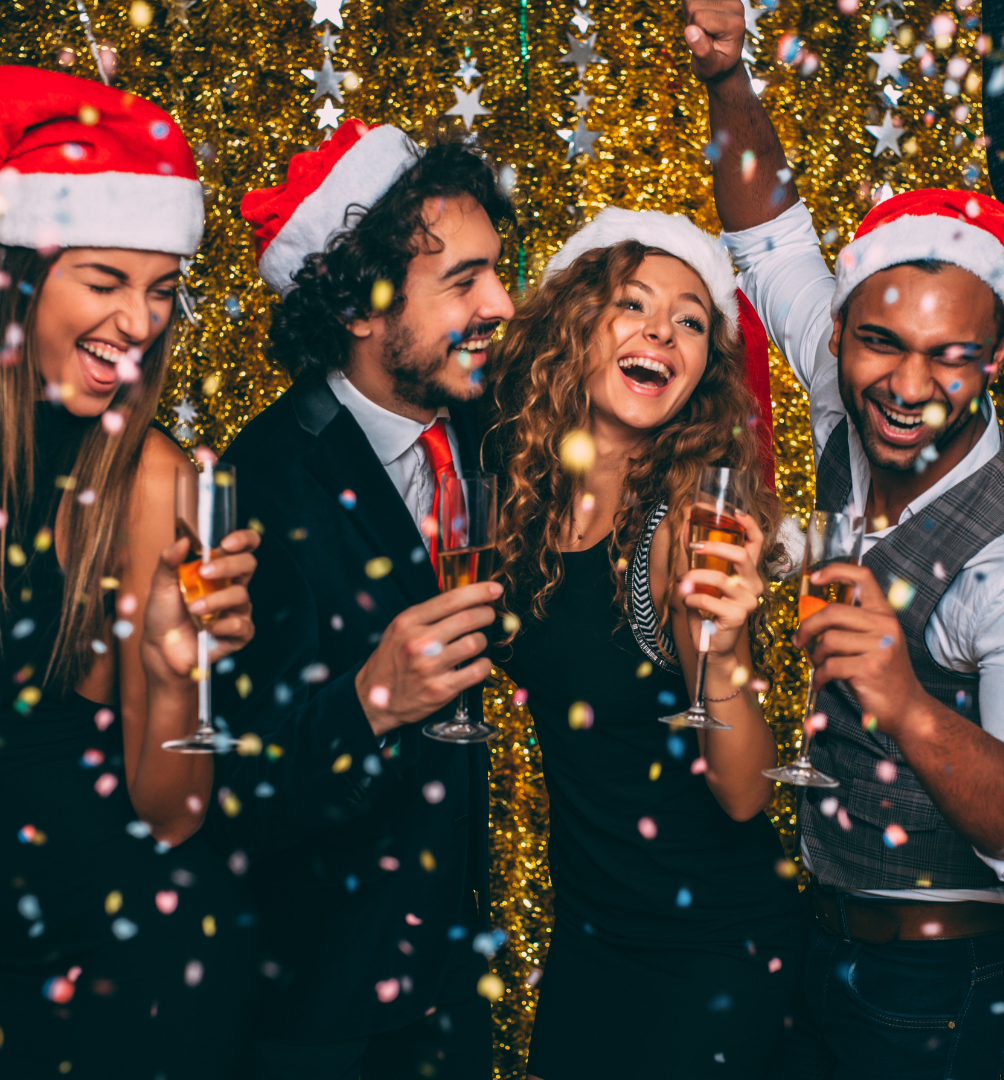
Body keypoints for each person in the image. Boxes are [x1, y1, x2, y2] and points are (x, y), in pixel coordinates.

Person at [685, 1, 1004, 1075]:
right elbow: (765, 233)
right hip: (814, 933)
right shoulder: (840, 397)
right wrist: (729, 77)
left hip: (945, 985)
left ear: (991, 362)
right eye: (879, 344)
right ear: (839, 333)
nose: (909, 388)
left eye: (949, 357)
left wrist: (904, 700)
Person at [207, 121, 515, 1079]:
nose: (501, 303)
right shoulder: (258, 483)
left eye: (497, 271)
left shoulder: (486, 432)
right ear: (359, 304)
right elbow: (219, 783)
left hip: (453, 991)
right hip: (319, 1009)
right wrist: (368, 702)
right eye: (463, 280)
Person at [486, 206, 802, 1078]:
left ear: (702, 370)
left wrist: (728, 649)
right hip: (592, 935)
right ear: (573, 328)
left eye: (692, 320)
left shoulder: (686, 528)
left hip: (713, 947)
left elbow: (743, 797)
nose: (663, 329)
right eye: (633, 303)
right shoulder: (518, 502)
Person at [0, 67, 263, 1079]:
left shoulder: (155, 480)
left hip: (87, 968)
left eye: (160, 291)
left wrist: (169, 659)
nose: (140, 323)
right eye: (105, 282)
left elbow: (171, 810)